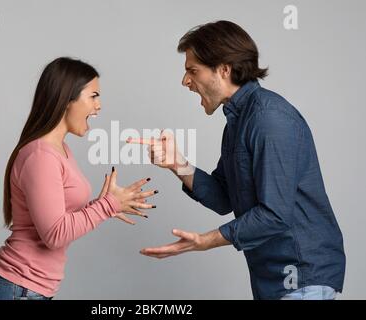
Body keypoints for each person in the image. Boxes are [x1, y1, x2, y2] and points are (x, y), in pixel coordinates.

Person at [129, 20, 345, 300]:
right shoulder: (237, 123)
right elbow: (223, 199)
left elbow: (274, 215)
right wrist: (176, 163)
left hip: (301, 277)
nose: (185, 81)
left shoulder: (269, 119)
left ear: (224, 69)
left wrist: (205, 241)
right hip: (274, 280)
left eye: (192, 71)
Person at [0, 57, 157, 300]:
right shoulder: (41, 156)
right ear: (66, 99)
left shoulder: (60, 151)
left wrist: (107, 205)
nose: (99, 106)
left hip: (25, 289)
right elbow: (54, 234)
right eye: (93, 96)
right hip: (15, 287)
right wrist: (107, 205)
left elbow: (60, 219)